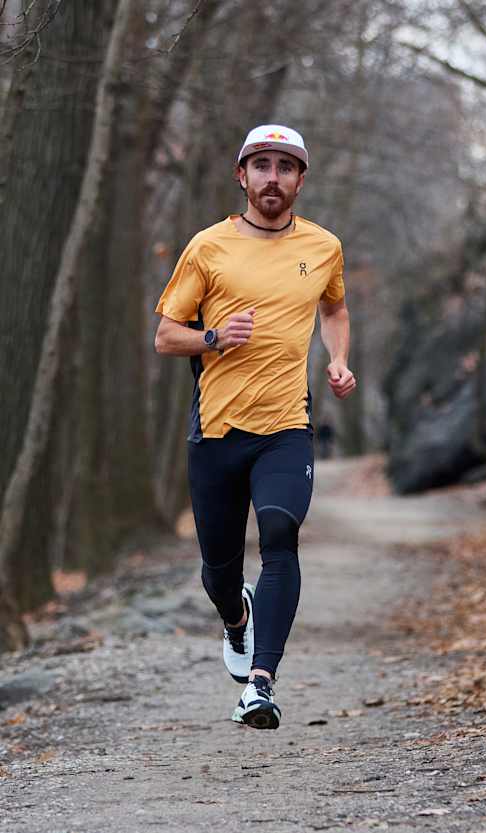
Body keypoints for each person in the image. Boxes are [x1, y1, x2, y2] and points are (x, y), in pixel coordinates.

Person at [154, 124, 356, 730]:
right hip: (216, 432)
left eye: (285, 167)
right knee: (219, 567)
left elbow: (335, 308)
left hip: (285, 426)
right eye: (261, 166)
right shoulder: (207, 248)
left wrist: (340, 358)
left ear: (300, 180)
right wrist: (213, 337)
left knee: (279, 535)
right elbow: (166, 336)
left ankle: (260, 684)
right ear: (242, 176)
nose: (273, 177)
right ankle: (235, 619)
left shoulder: (323, 247)